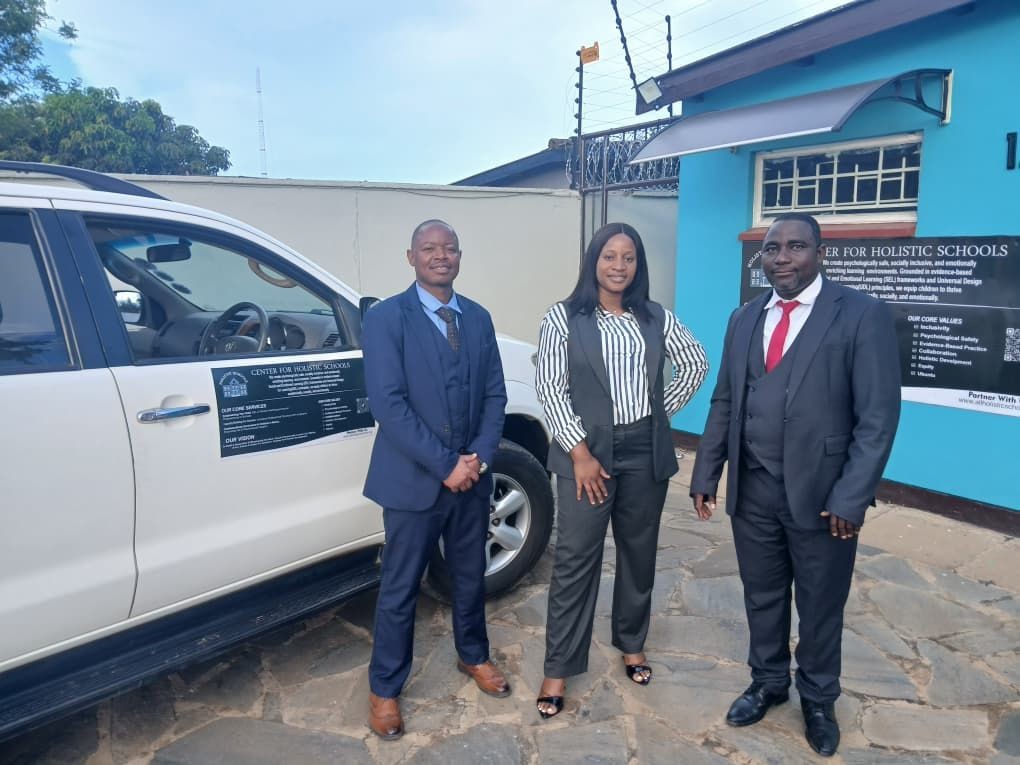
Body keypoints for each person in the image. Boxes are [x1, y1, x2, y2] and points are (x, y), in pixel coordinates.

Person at [690, 212, 901, 757]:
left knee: (821, 604)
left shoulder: (861, 315)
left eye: (795, 246)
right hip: (754, 488)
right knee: (762, 596)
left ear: (819, 252)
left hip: (826, 498)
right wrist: (707, 470)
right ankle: (768, 682)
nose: (781, 257)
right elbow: (725, 400)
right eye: (771, 248)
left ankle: (818, 697)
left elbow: (877, 419)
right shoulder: (744, 318)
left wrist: (852, 497)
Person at [534, 222, 709, 718]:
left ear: (638, 266)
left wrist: (659, 413)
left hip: (643, 451)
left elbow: (695, 363)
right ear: (594, 261)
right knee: (575, 560)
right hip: (586, 453)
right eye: (609, 256)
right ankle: (559, 666)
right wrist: (580, 452)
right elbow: (551, 387)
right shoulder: (564, 317)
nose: (618, 266)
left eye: (628, 258)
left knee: (639, 554)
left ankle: (632, 643)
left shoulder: (655, 317)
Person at [361, 219, 511, 740]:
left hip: (470, 480)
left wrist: (478, 459)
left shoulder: (478, 318)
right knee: (401, 587)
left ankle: (474, 655)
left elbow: (495, 395)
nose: (439, 256)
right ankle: (385, 689)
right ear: (411, 257)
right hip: (412, 483)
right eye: (429, 249)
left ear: (459, 257)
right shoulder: (386, 319)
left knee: (470, 576)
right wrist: (445, 464)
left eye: (448, 249)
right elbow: (389, 404)